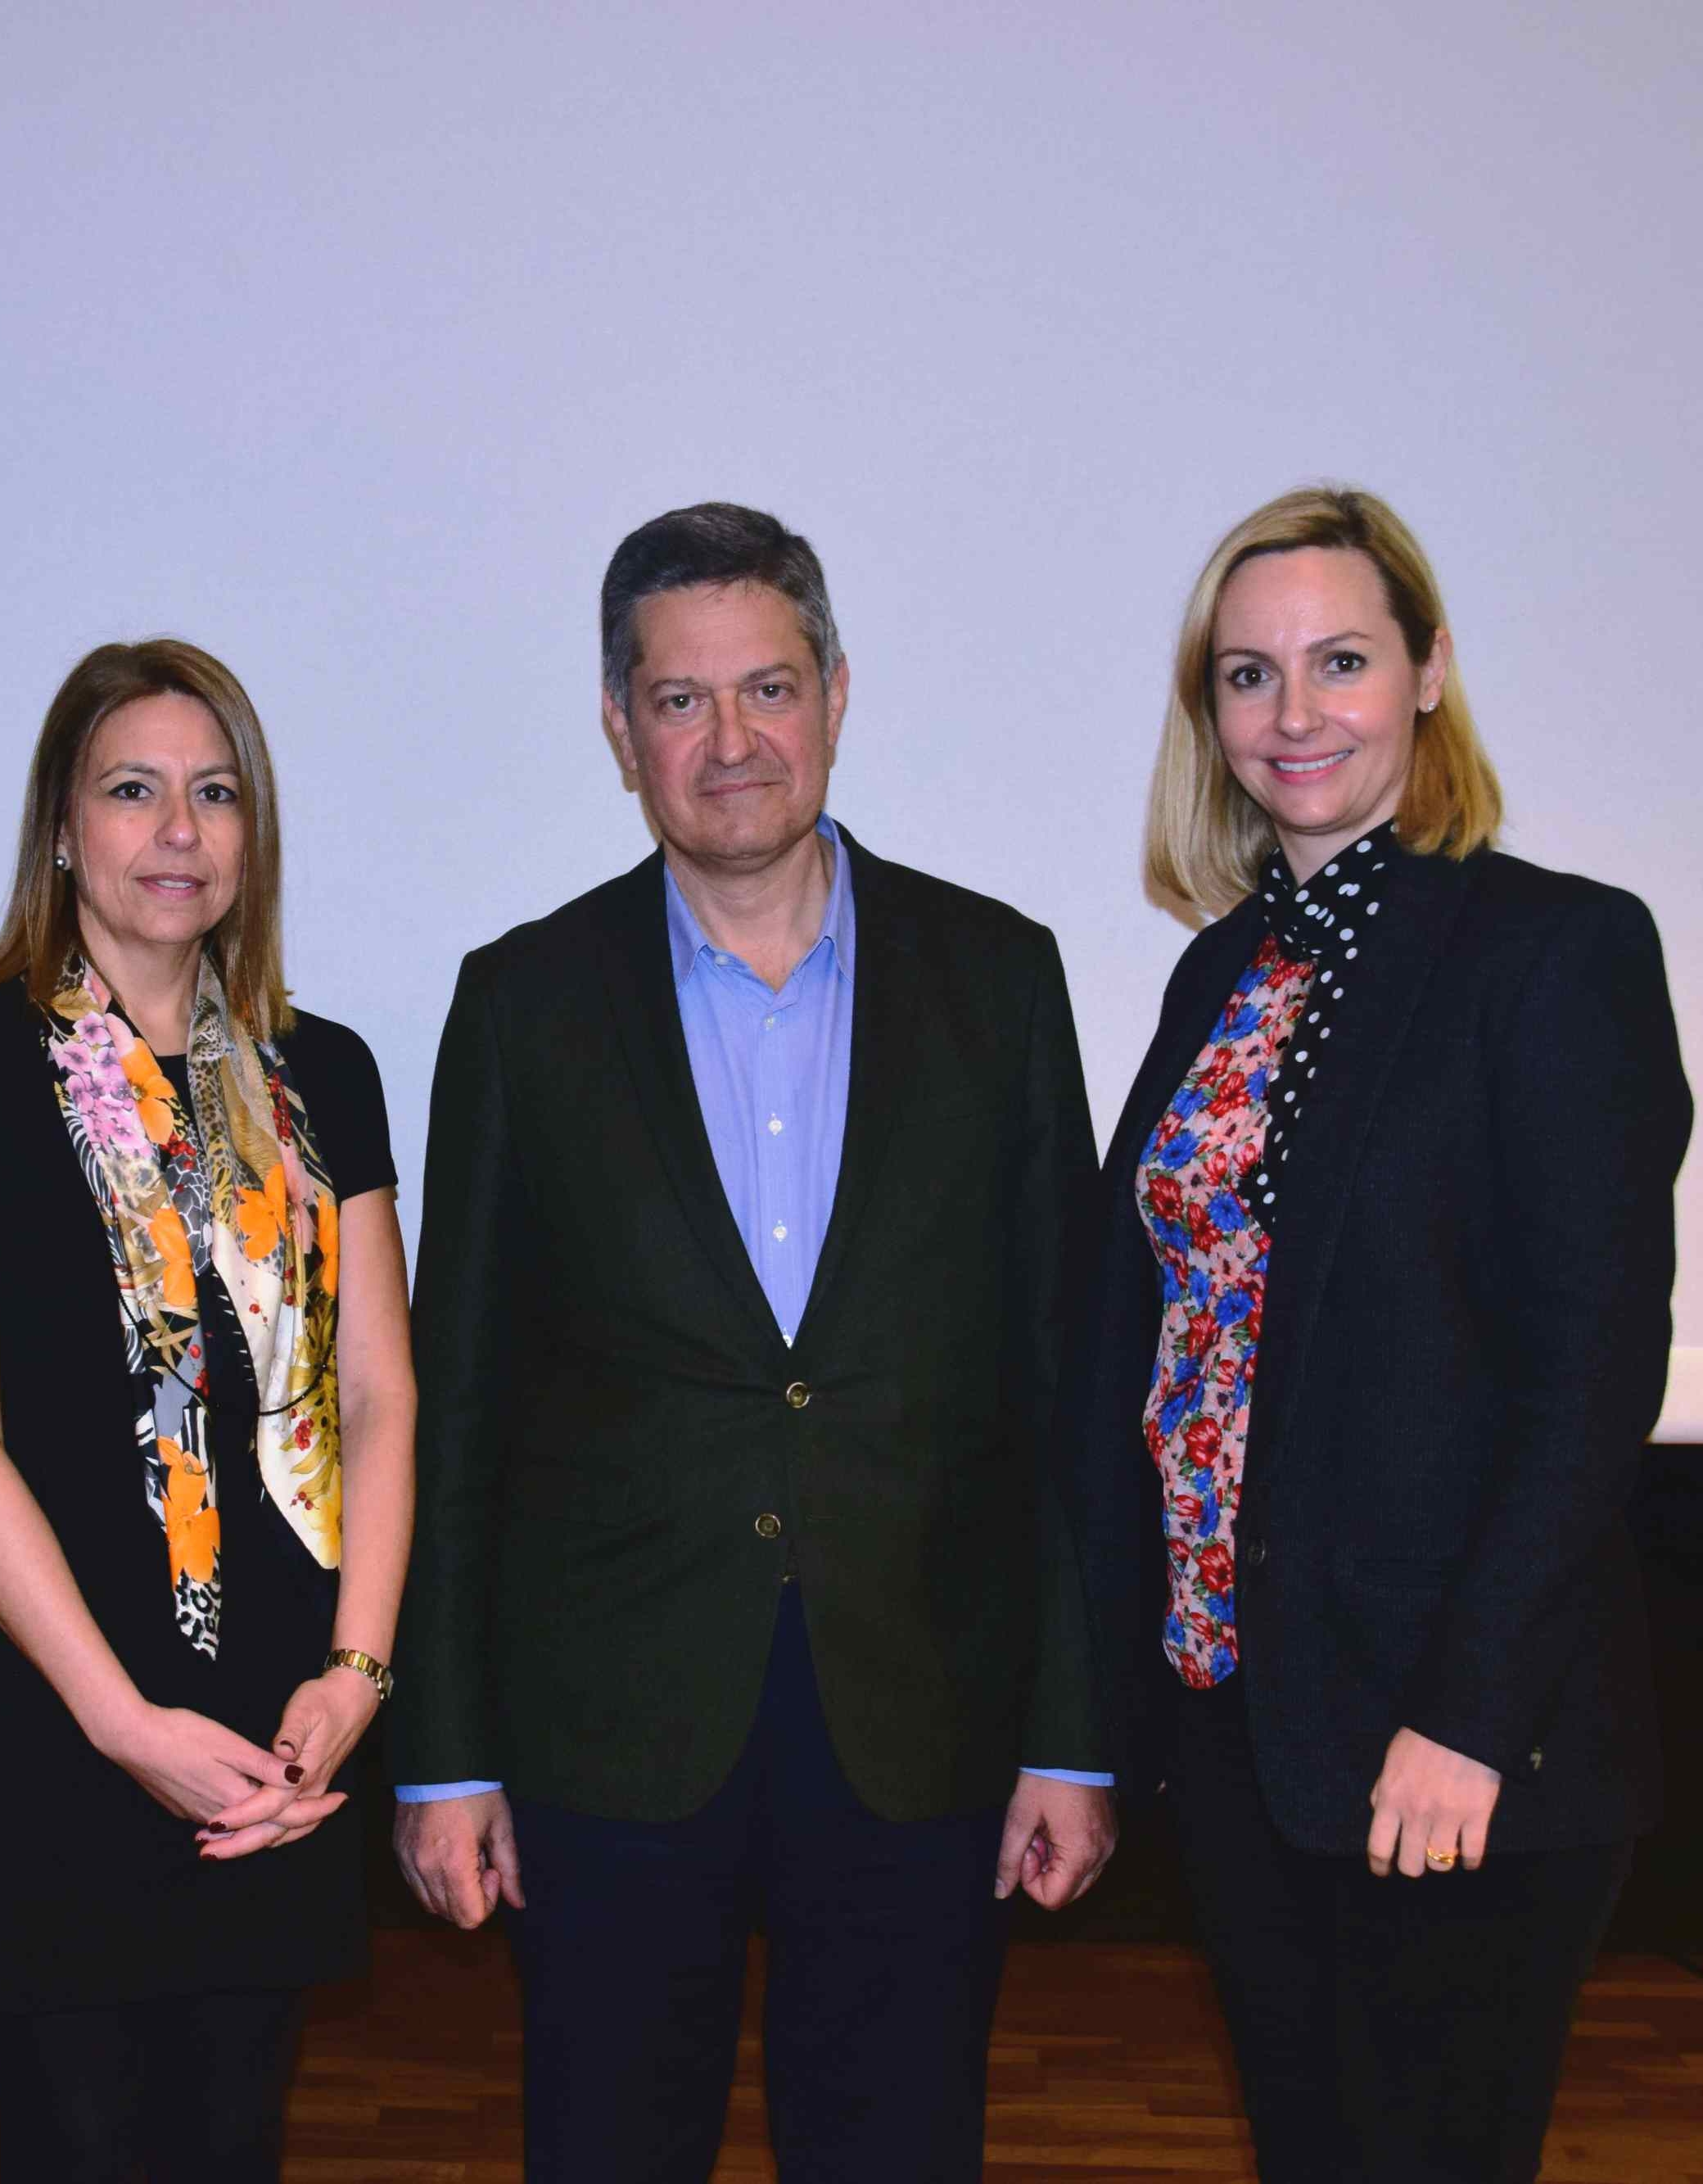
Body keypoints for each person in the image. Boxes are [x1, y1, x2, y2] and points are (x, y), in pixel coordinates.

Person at [391, 503, 1116, 2182]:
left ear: (837, 694)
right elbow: (459, 1403)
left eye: (768, 688)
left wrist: (1070, 1732)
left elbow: (1057, 1385)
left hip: (922, 1714)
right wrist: (445, 1755)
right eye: (679, 699)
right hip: (607, 1733)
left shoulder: (1000, 980)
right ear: (618, 726)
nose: (730, 741)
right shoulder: (520, 1004)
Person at [1066, 485, 1690, 2179]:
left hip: (1448, 1742)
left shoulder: (1552, 952)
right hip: (1243, 1721)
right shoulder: (1223, 972)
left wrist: (1470, 1714)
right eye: (1247, 674)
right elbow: (1160, 1341)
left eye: (1339, 660)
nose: (1294, 712)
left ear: (1427, 669)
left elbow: (1590, 1374)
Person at [0, 639, 417, 2182]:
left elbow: (379, 1395)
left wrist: (357, 1677)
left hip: (278, 1740)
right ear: (62, 828)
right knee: (81, 2147)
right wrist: (121, 1725)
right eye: (132, 790)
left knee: (235, 2143)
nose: (179, 830)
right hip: (54, 1728)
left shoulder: (324, 1076)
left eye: (215, 793)